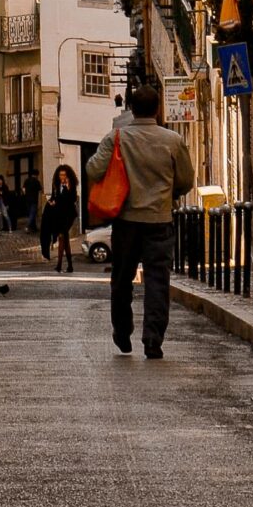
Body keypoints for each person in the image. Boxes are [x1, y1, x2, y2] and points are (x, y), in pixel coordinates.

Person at [85, 80, 193, 358]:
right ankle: (153, 338)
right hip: (159, 219)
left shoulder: (117, 138)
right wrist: (168, 194)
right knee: (158, 280)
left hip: (127, 220)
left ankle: (122, 331)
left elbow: (93, 169)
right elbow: (185, 180)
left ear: (131, 109)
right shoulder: (173, 140)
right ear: (158, 110)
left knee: (122, 279)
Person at [40, 164, 80, 274]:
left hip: (68, 215)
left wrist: (67, 188)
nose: (62, 177)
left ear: (67, 175)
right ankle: (70, 266)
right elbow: (54, 197)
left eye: (64, 175)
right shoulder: (56, 185)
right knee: (65, 240)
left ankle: (59, 265)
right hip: (59, 214)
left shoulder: (71, 186)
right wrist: (51, 202)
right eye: (60, 175)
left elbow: (72, 200)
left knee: (62, 236)